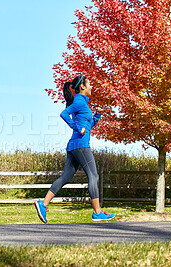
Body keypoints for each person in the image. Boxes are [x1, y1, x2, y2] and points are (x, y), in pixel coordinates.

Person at [34, 76, 115, 223]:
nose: (91, 86)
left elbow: (88, 126)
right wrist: (77, 127)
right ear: (83, 87)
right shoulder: (79, 102)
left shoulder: (83, 104)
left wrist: (97, 115)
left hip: (74, 145)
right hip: (81, 145)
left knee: (66, 177)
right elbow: (64, 114)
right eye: (89, 84)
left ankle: (43, 203)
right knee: (93, 176)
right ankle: (97, 212)